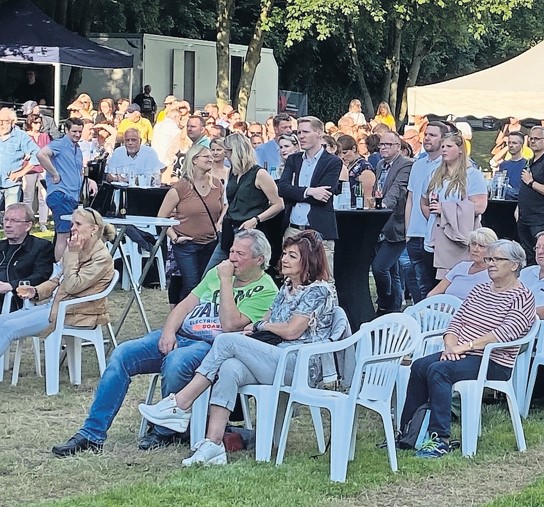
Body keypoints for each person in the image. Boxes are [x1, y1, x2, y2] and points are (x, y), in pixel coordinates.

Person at [52, 230, 278, 456]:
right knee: (122, 354)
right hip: (181, 334)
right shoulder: (215, 274)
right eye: (231, 252)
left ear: (259, 260)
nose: (232, 258)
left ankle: (165, 430)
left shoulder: (266, 290)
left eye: (240, 253)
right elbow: (183, 306)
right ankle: (92, 434)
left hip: (211, 346)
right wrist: (168, 332)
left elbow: (230, 325)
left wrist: (226, 282)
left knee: (176, 362)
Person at [138, 230, 339, 466]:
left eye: (292, 256)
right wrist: (254, 329)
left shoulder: (318, 290)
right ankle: (213, 445)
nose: (284, 259)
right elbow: (266, 320)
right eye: (285, 253)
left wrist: (261, 325)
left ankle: (181, 404)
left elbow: (293, 330)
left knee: (226, 340)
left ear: (309, 261)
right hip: (277, 358)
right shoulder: (286, 287)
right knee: (230, 367)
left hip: (300, 365)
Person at [397, 240, 535, 458]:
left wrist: (464, 347)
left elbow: (507, 332)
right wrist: (450, 345)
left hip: (494, 361)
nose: (490, 264)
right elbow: (457, 321)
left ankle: (439, 439)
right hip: (463, 353)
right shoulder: (479, 290)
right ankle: (408, 433)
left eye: (497, 259)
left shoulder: (522, 296)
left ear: (514, 265)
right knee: (420, 366)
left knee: (439, 370)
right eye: (489, 259)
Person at [0, 208, 115, 378]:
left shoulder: (101, 257)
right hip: (57, 306)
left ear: (94, 229)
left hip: (78, 312)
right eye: (72, 224)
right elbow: (56, 280)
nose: (73, 228)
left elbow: (73, 286)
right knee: (2, 320)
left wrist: (73, 255)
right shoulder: (75, 249)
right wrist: (36, 291)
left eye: (78, 224)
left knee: (9, 327)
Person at [157, 144, 225, 305]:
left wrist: (219, 224)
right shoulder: (181, 187)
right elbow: (161, 217)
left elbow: (222, 208)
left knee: (206, 286)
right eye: (206, 156)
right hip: (187, 245)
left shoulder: (217, 185)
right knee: (192, 286)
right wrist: (174, 237)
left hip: (211, 243)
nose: (211, 158)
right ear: (194, 160)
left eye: (211, 156)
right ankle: (181, 322)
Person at [205, 134, 284, 271]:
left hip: (249, 231)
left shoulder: (259, 174)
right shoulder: (232, 172)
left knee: (245, 273)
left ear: (236, 151)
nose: (226, 155)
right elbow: (232, 201)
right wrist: (221, 221)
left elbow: (278, 204)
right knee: (211, 273)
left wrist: (256, 219)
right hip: (230, 228)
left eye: (228, 152)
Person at [277, 116, 341, 271]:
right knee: (290, 276)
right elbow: (283, 189)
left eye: (305, 132)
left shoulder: (332, 162)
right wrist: (310, 191)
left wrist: (296, 192)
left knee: (324, 278)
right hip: (293, 228)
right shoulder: (294, 159)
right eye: (299, 132)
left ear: (319, 133)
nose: (301, 136)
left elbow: (324, 197)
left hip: (319, 229)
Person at [424, 131, 488, 278]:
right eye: (442, 146)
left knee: (453, 283)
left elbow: (480, 206)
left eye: (448, 146)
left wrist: (445, 209)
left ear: (460, 149)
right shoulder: (435, 174)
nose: (444, 150)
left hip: (457, 238)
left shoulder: (472, 175)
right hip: (434, 235)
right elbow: (424, 202)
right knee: (429, 285)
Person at [36, 118, 94, 260]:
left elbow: (77, 171)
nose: (77, 134)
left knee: (69, 234)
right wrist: (54, 173)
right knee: (63, 236)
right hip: (60, 195)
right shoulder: (60, 143)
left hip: (71, 196)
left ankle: (63, 268)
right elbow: (41, 154)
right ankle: (59, 272)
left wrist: (89, 181)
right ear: (67, 130)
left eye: (80, 131)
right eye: (74, 131)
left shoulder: (78, 148)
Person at [371, 132, 415, 313]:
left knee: (379, 268)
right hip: (381, 223)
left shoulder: (406, 164)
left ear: (399, 146)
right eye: (381, 144)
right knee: (392, 270)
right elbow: (379, 189)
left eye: (389, 144)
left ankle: (385, 302)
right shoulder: (380, 164)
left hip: (397, 224)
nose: (383, 148)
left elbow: (397, 189)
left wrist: (383, 207)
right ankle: (394, 308)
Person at [405, 121, 448, 300]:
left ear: (443, 139)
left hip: (434, 234)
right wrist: (408, 231)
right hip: (414, 233)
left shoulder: (447, 166)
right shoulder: (417, 164)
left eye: (433, 135)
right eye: (426, 134)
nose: (427, 138)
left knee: (432, 285)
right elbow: (410, 199)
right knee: (415, 282)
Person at [515, 126, 544, 258]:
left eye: (537, 139)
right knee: (527, 255)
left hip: (540, 220)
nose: (533, 141)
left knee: (541, 255)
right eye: (531, 138)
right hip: (525, 217)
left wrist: (531, 182)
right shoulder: (530, 161)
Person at [0, 203, 54, 311]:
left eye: (14, 221)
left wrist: (11, 286)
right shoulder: (1, 246)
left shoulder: (41, 247)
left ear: (28, 226)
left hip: (16, 301)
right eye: (6, 220)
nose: (7, 225)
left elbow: (41, 276)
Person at [427, 228, 498, 300]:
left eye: (481, 246)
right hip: (444, 308)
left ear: (491, 250)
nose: (475, 249)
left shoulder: (493, 273)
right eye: (473, 244)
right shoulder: (461, 266)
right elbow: (434, 292)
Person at [0, 107, 38, 207]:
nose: (1, 124)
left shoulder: (21, 136)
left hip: (12, 184)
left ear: (12, 122)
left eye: (5, 121)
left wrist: (21, 173)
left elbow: (37, 154)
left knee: (12, 216)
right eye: (0, 121)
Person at [337, 135, 375, 208]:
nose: (342, 156)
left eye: (345, 153)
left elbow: (368, 196)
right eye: (339, 154)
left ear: (354, 149)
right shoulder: (345, 166)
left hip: (358, 211)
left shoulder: (364, 167)